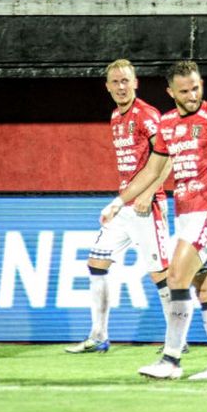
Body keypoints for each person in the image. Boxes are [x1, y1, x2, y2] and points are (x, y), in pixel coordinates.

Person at [101, 60, 207, 380]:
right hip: (184, 215)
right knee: (205, 289)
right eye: (184, 90)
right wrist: (118, 202)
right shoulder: (166, 124)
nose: (192, 95)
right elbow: (152, 171)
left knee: (176, 277)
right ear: (171, 92)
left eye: (196, 88)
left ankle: (171, 360)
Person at [65, 59, 173, 354]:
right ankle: (98, 335)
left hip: (146, 206)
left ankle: (177, 339)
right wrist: (121, 201)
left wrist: (150, 193)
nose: (121, 87)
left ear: (136, 83)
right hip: (125, 204)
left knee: (159, 273)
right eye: (115, 82)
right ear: (107, 87)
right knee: (96, 263)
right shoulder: (115, 116)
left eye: (126, 81)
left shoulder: (147, 115)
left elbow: (168, 157)